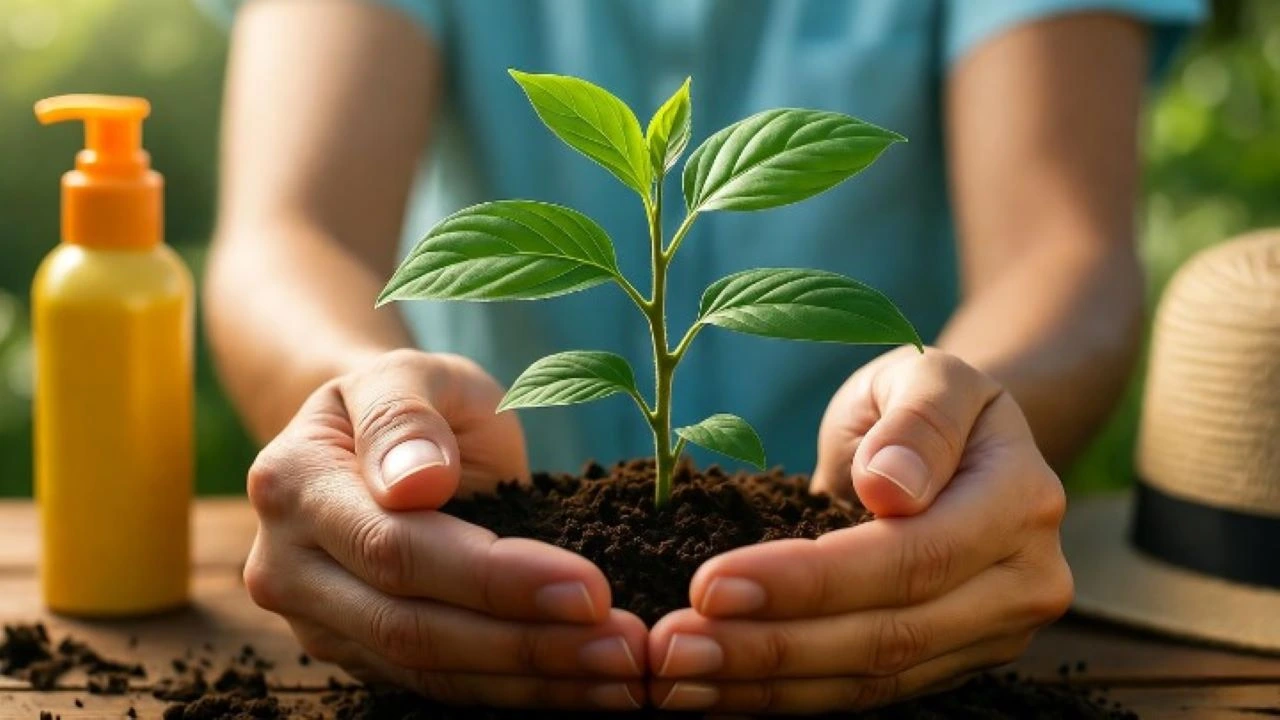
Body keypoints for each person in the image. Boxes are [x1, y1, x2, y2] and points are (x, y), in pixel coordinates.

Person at [203, 0, 1204, 712]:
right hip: (465, 541)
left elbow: (1062, 251)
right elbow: (286, 240)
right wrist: (359, 411)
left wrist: (963, 425)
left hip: (877, 548)